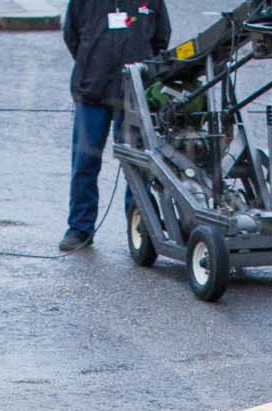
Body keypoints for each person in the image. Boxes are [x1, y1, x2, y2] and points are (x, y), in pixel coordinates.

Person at [60, 0, 171, 253]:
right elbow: (72, 36)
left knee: (138, 166)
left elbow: (161, 39)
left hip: (134, 96)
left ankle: (142, 230)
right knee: (84, 164)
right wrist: (93, 65)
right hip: (92, 92)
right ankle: (79, 229)